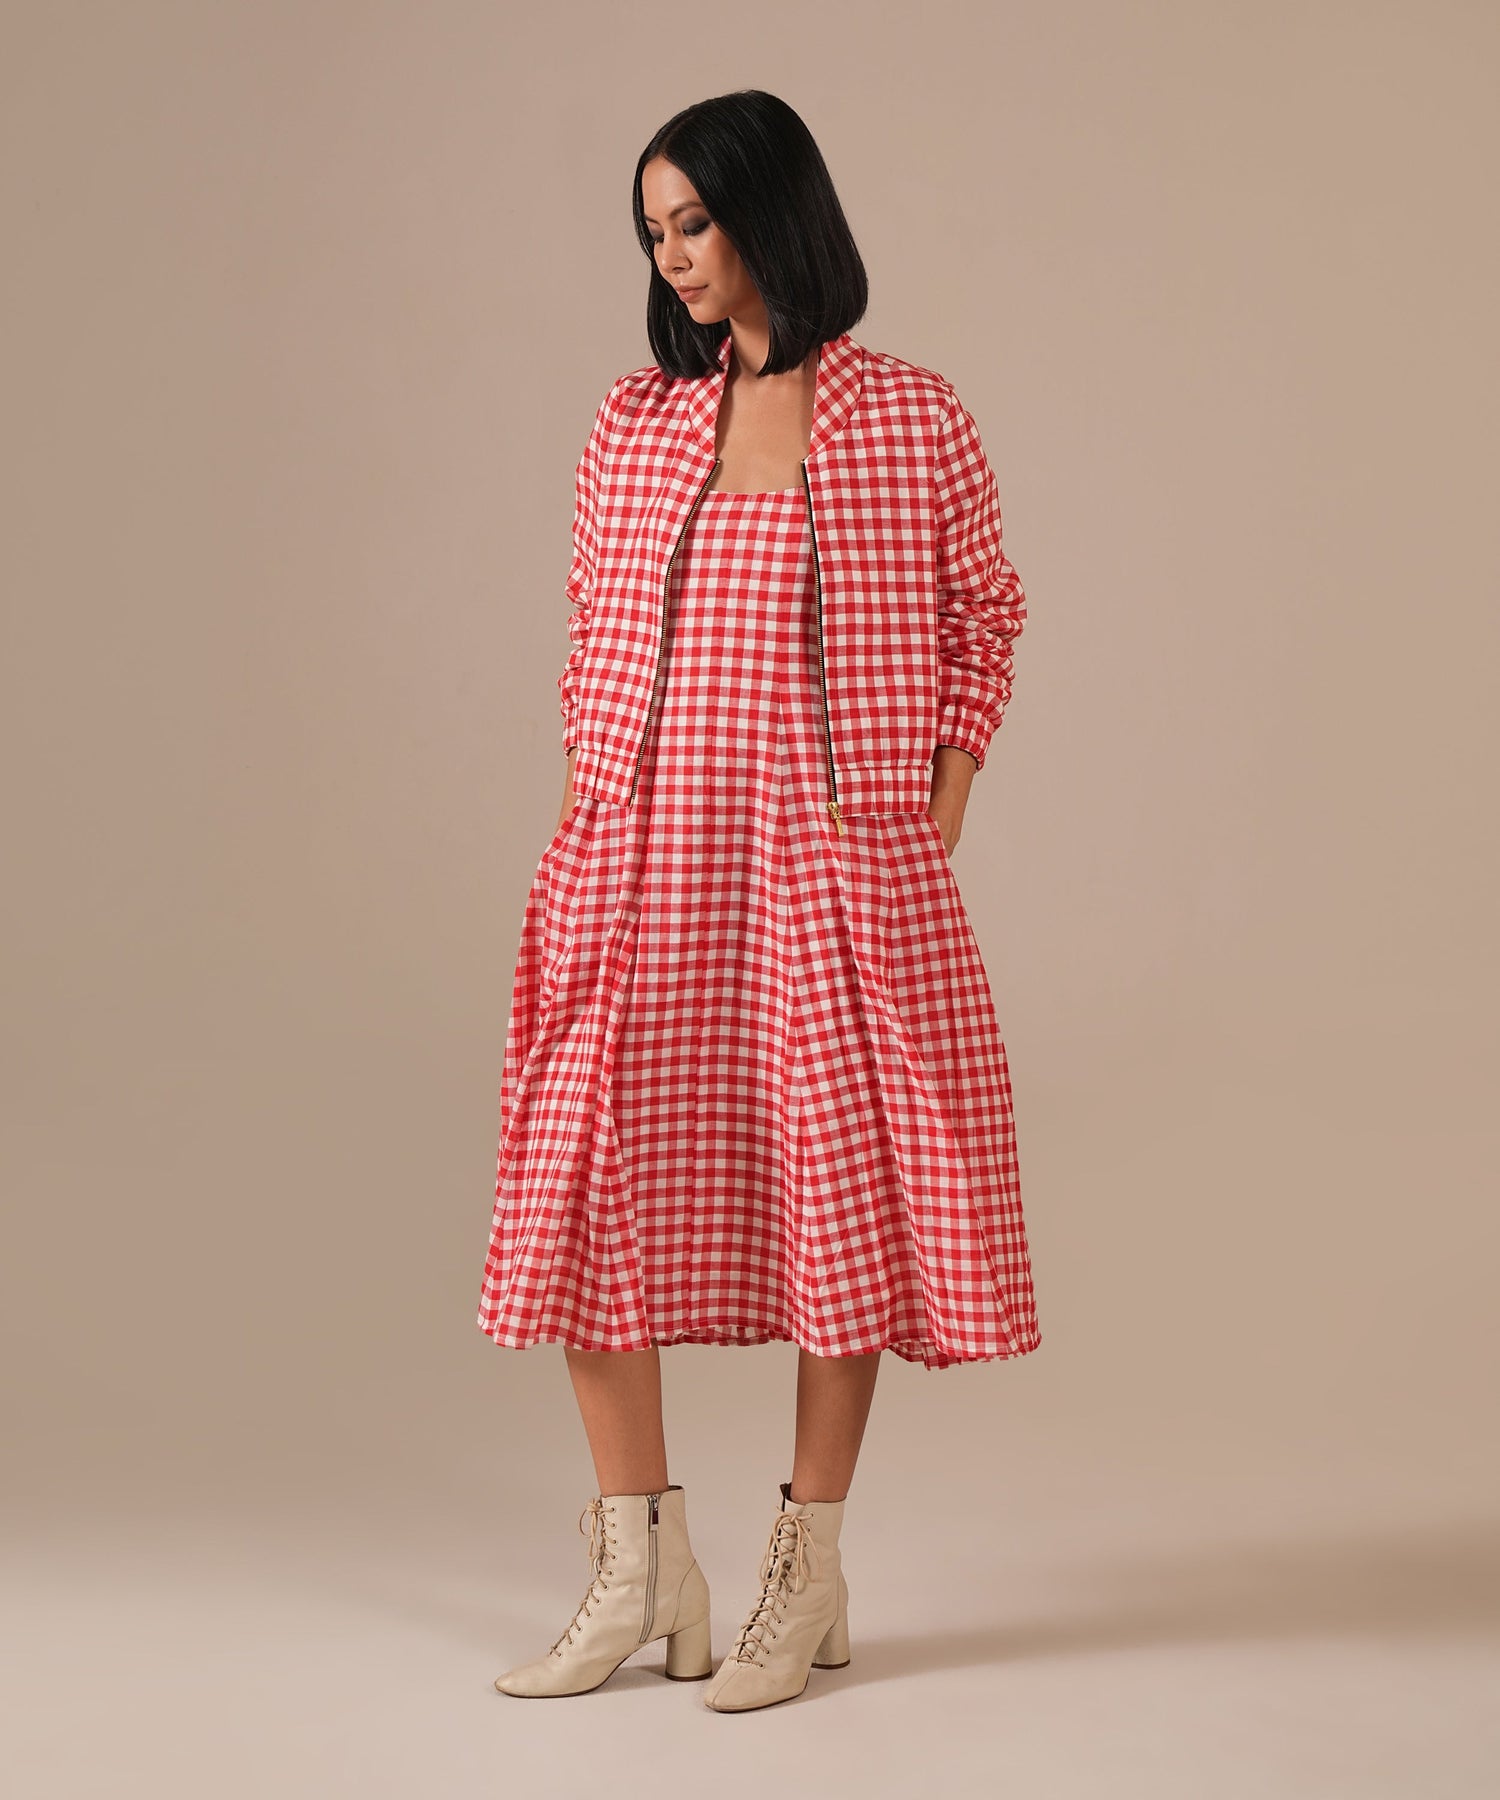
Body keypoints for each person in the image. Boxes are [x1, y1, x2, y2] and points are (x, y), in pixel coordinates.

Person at [481, 89, 1041, 1712]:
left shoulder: (911, 418)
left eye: (696, 221)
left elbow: (983, 619)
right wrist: (583, 821)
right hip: (646, 856)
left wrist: (932, 813)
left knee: (836, 1189)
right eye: (655, 232)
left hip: (825, 864)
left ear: (769, 209)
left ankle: (810, 1564)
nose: (675, 256)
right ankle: (641, 1567)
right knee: (590, 1182)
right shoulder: (635, 421)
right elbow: (593, 627)